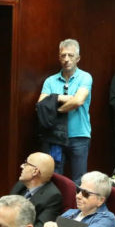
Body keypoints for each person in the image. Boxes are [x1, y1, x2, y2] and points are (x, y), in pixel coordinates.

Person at [39, 38, 93, 180]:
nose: (66, 59)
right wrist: (61, 97)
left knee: (79, 180)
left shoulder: (85, 77)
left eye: (70, 55)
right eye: (63, 55)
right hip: (55, 137)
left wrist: (55, 109)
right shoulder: (50, 81)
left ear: (78, 58)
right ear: (59, 58)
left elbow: (78, 101)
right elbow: (41, 105)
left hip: (79, 136)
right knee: (55, 177)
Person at [40, 171, 115, 227]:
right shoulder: (71, 212)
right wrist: (50, 225)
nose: (78, 196)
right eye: (78, 190)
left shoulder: (107, 219)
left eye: (85, 193)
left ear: (100, 200)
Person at [9, 152, 62, 227]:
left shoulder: (53, 197)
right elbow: (4, 206)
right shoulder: (21, 184)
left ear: (35, 171)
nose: (22, 166)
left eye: (26, 164)